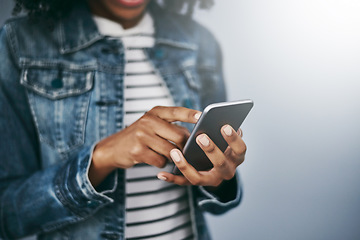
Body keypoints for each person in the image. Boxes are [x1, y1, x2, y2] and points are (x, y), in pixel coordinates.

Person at [0, 0, 247, 239]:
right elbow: (7, 215)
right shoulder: (19, 42)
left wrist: (218, 180)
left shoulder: (198, 40)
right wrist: (100, 159)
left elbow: (219, 202)